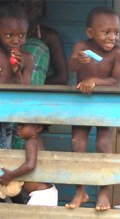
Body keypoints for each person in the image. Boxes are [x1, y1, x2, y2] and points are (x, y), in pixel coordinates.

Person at [66, 6, 120, 211]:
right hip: (81, 104)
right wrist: (77, 60)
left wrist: (94, 81)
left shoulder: (117, 53)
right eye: (106, 32)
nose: (112, 37)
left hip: (104, 105)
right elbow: (71, 68)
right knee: (77, 143)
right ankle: (80, 191)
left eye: (116, 32)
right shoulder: (82, 46)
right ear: (90, 33)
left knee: (103, 145)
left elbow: (115, 81)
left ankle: (104, 191)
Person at [0, 1, 33, 149]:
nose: (16, 40)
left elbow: (24, 94)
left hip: (8, 117)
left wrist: (17, 72)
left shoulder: (27, 58)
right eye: (9, 35)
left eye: (21, 35)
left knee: (4, 154)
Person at [0, 123, 58, 206]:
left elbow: (30, 165)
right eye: (18, 125)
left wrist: (11, 175)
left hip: (42, 195)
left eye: (22, 125)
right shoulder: (36, 141)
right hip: (45, 193)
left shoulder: (31, 142)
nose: (18, 127)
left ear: (37, 128)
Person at [17, 0, 68, 85]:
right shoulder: (3, 33)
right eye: (25, 4)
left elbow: (62, 78)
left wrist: (36, 84)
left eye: (37, 5)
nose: (31, 9)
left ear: (42, 11)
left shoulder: (49, 36)